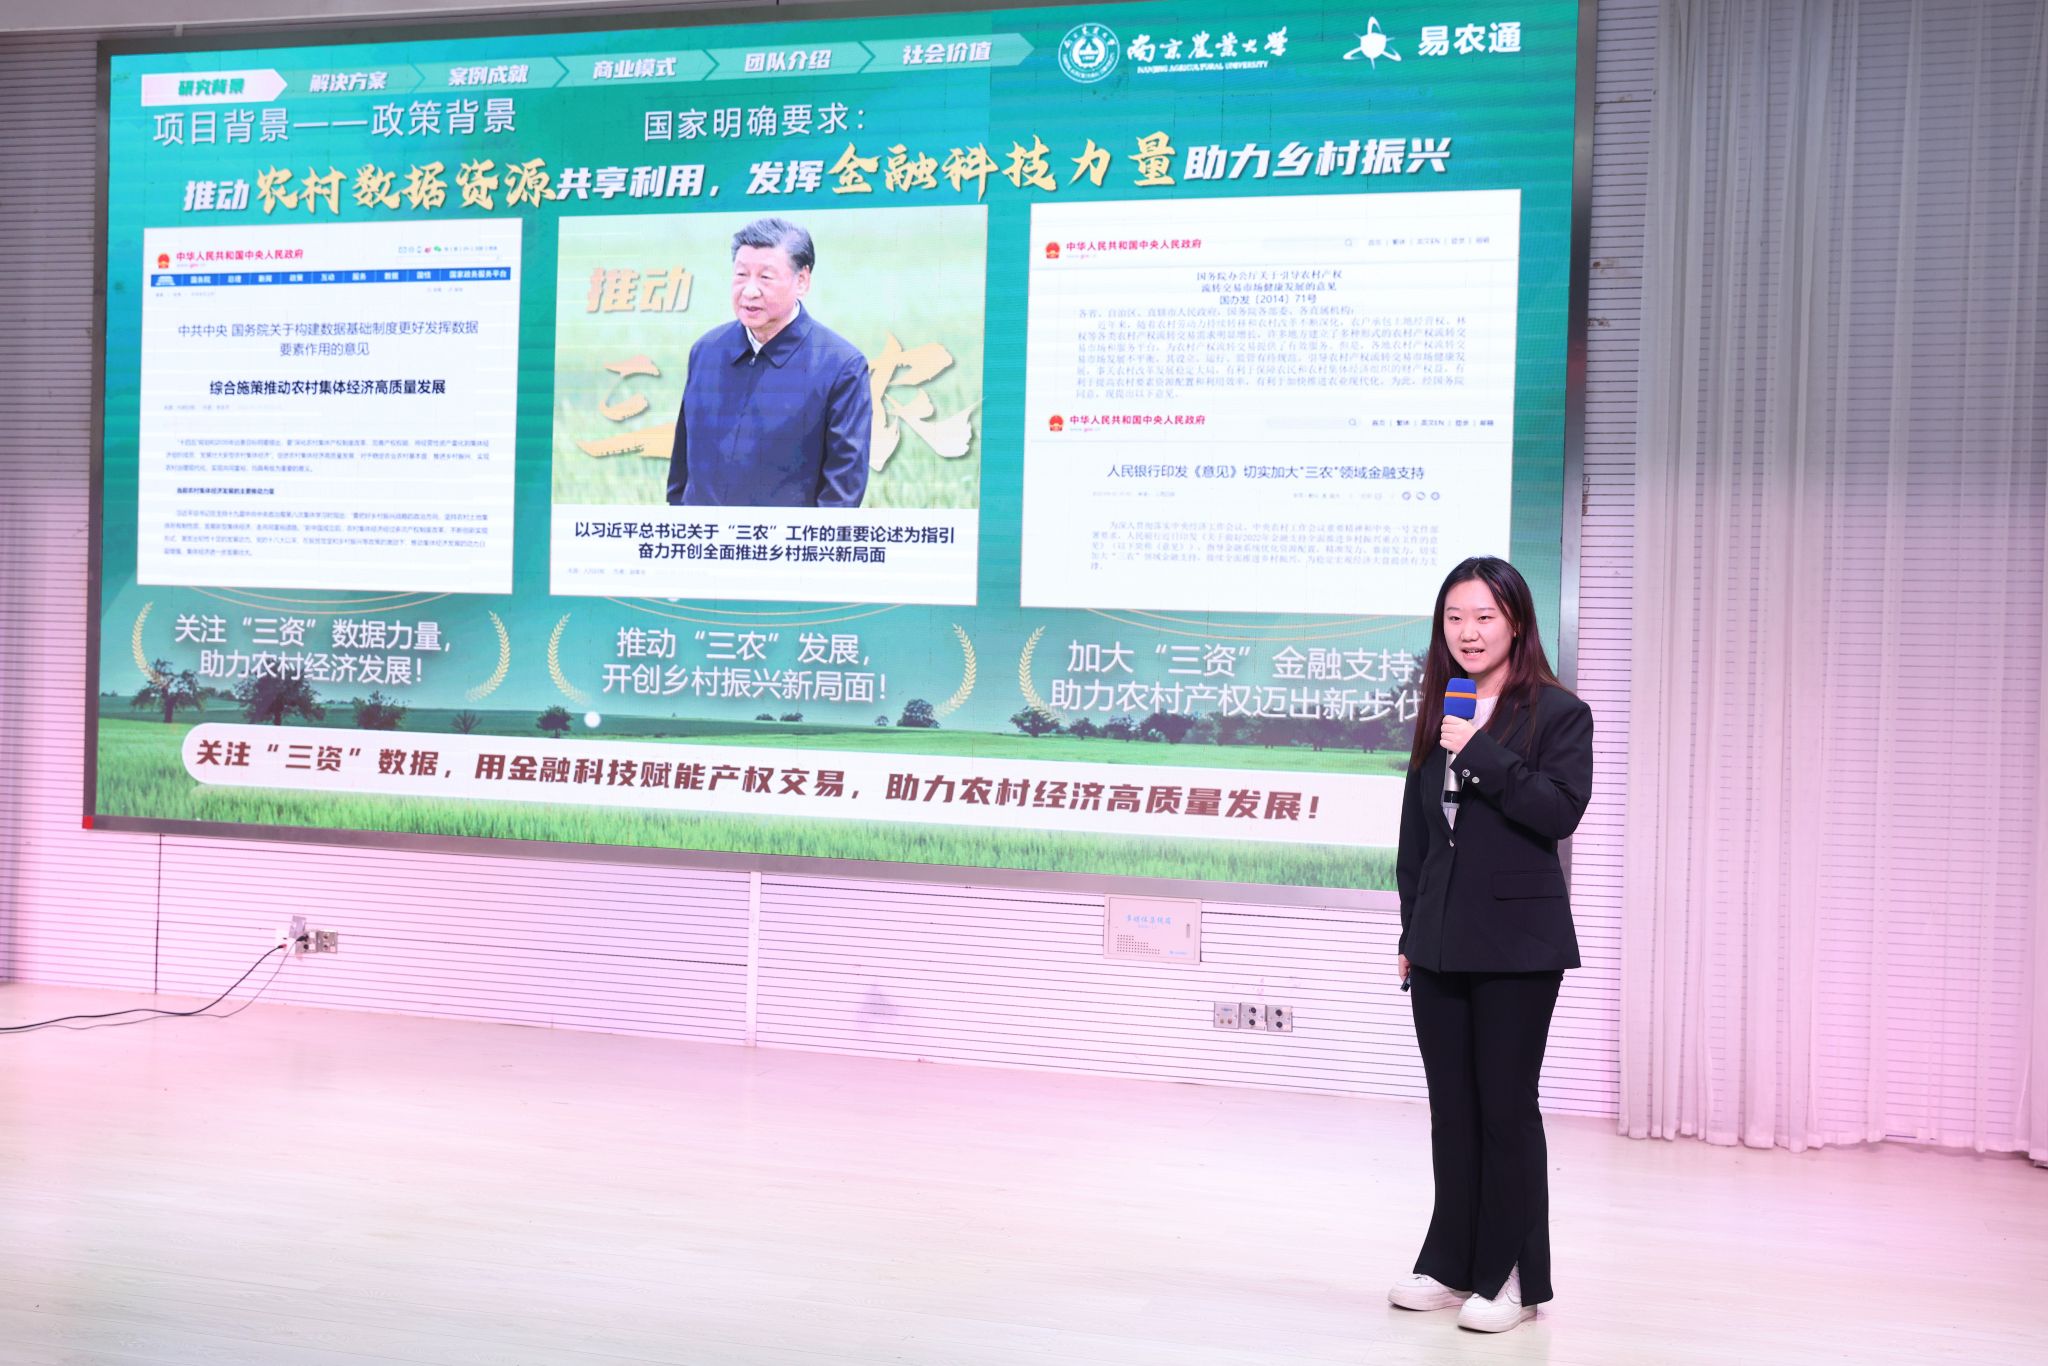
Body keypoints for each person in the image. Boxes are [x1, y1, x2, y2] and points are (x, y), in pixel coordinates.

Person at [1384, 556, 1593, 1333]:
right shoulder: (1443, 703)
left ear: (1517, 622)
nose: (1467, 632)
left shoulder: (1559, 713)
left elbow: (1558, 812)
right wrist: (1411, 927)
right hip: (1439, 940)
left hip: (1517, 945)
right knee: (1453, 1112)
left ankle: (1512, 1278)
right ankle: (1452, 1263)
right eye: (1454, 618)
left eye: (1484, 617)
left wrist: (1478, 749)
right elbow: (1419, 834)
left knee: (1506, 1110)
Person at [665, 216, 872, 508]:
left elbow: (841, 494)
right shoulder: (707, 351)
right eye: (741, 275)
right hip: (704, 535)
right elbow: (682, 470)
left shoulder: (841, 366)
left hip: (784, 538)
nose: (749, 291)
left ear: (802, 281)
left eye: (765, 277)